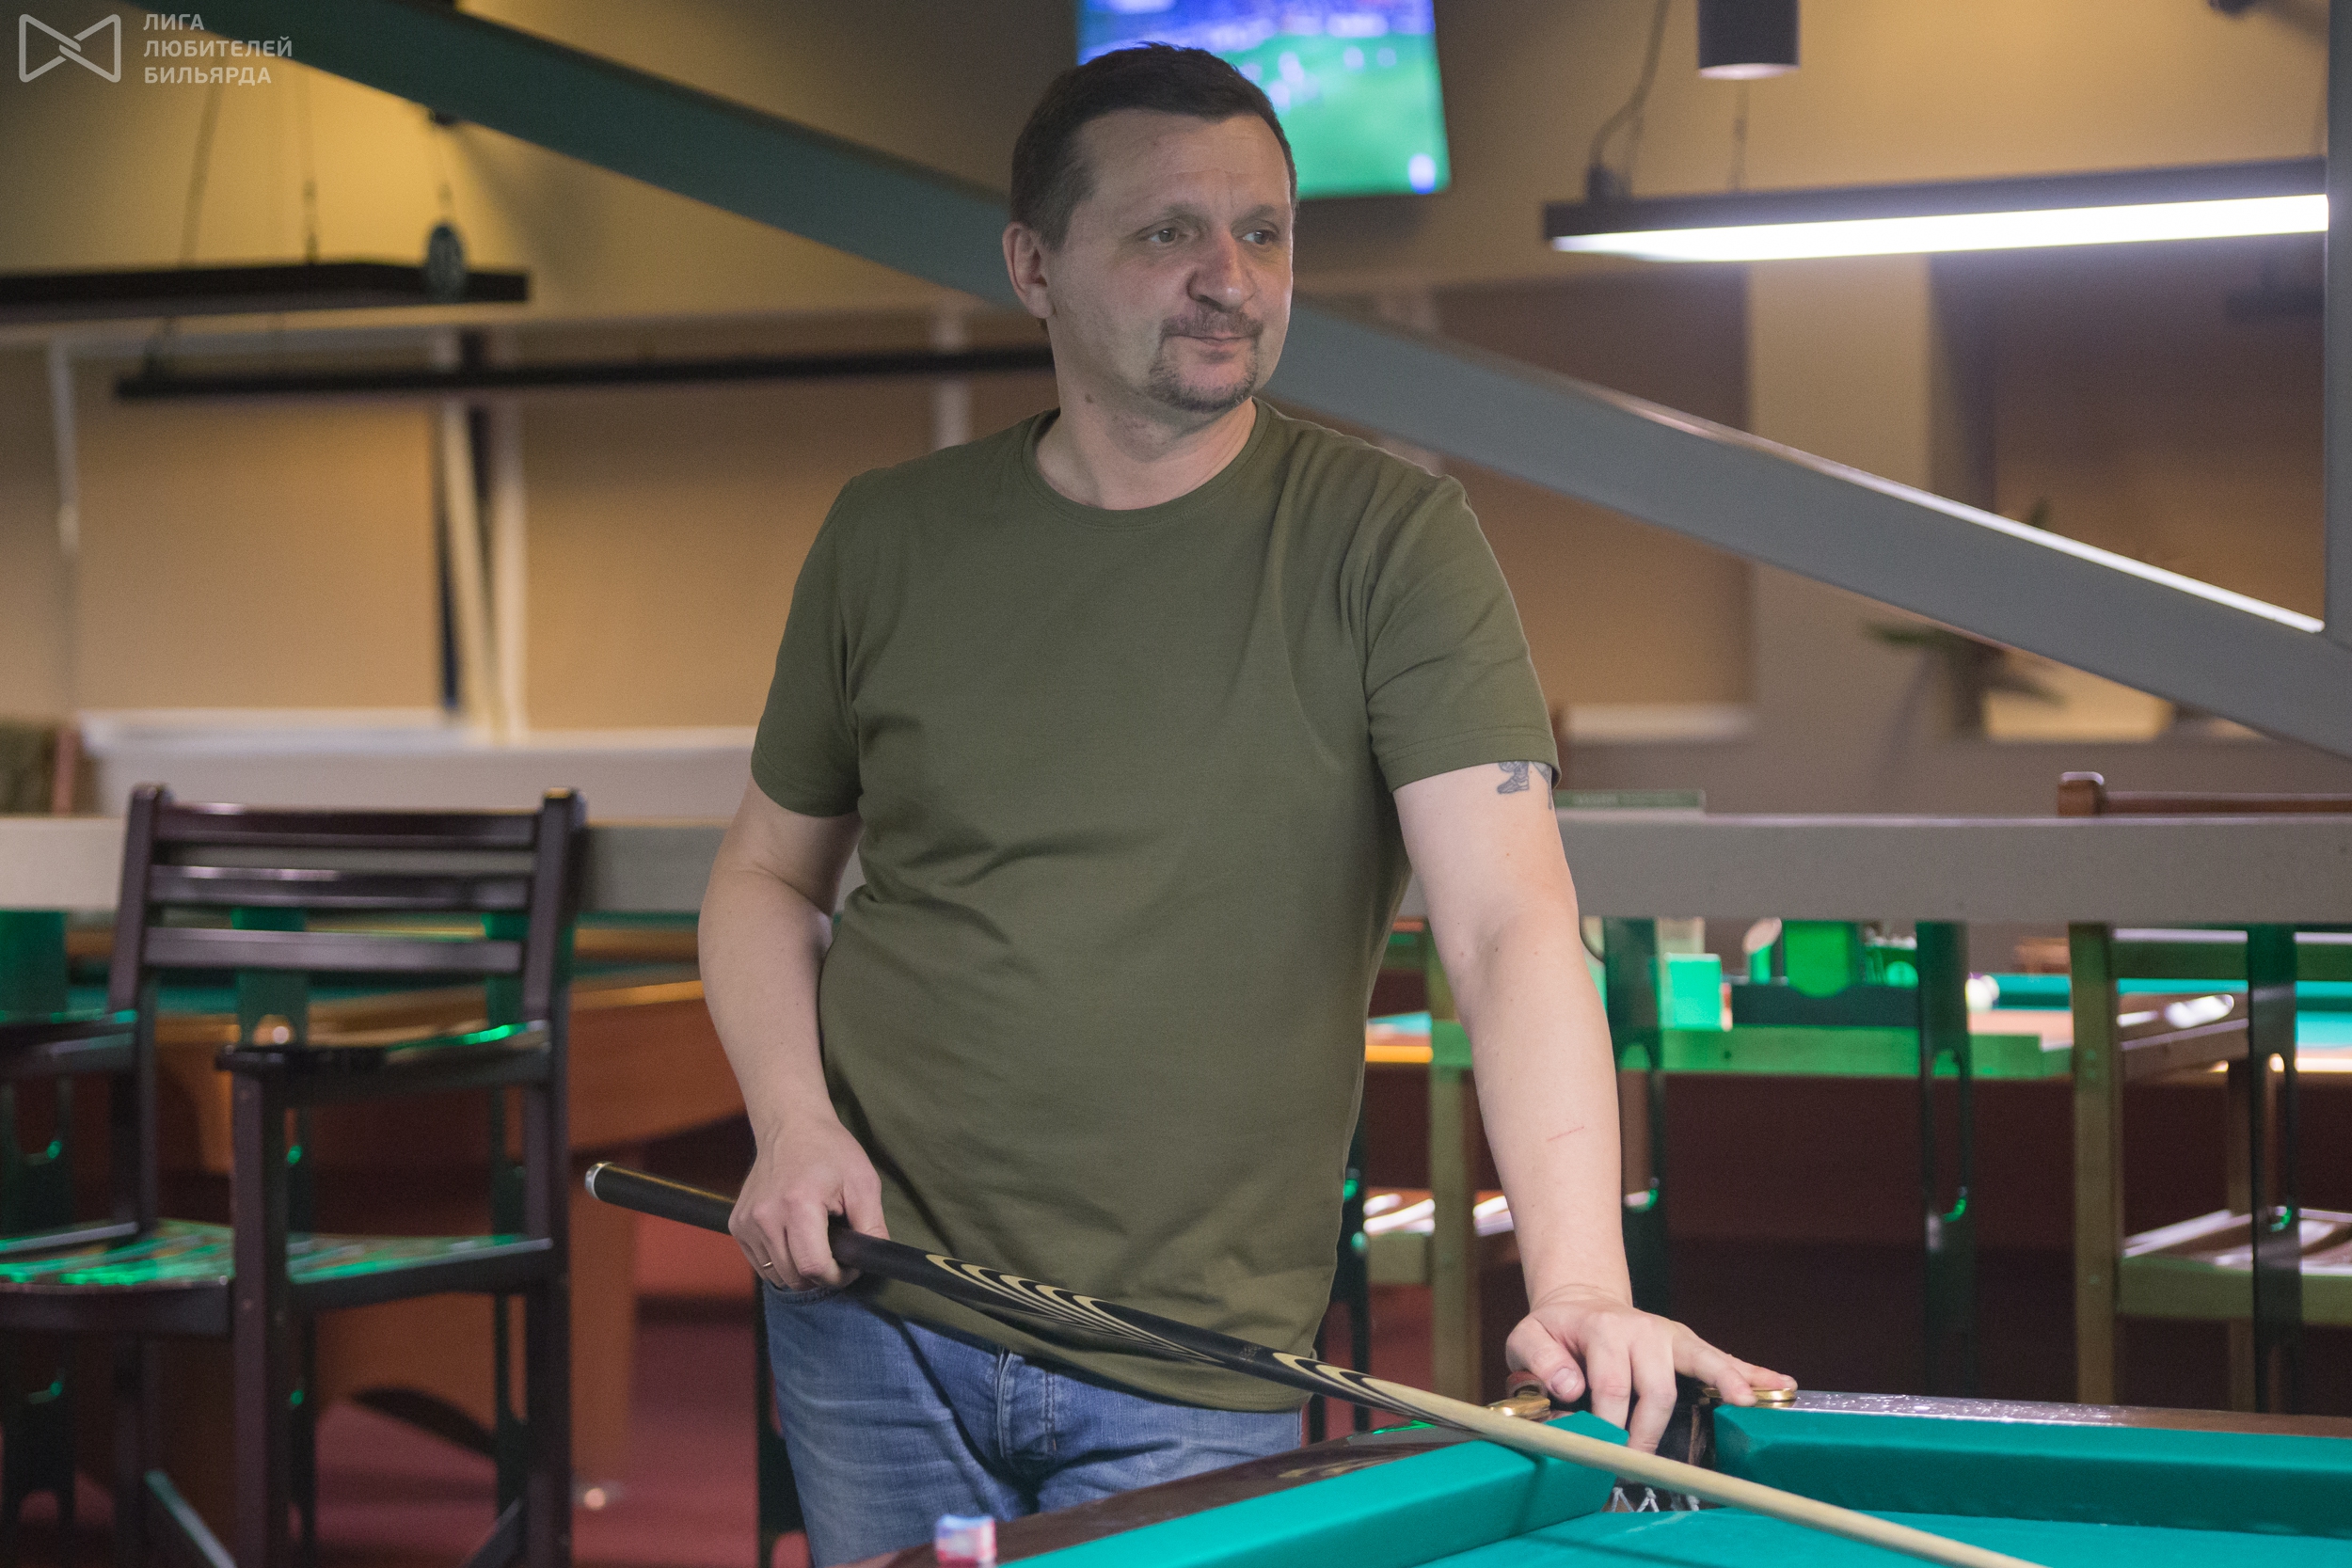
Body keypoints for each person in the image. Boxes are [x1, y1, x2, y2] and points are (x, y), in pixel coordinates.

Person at [701, 42, 1791, 1567]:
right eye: (1169, 231)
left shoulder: (1393, 541)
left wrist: (1583, 1283)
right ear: (1034, 265)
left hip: (1194, 1354)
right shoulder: (885, 536)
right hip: (876, 1308)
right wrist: (793, 1124)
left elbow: (1507, 926)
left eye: (1264, 232)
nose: (1231, 277)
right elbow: (765, 877)